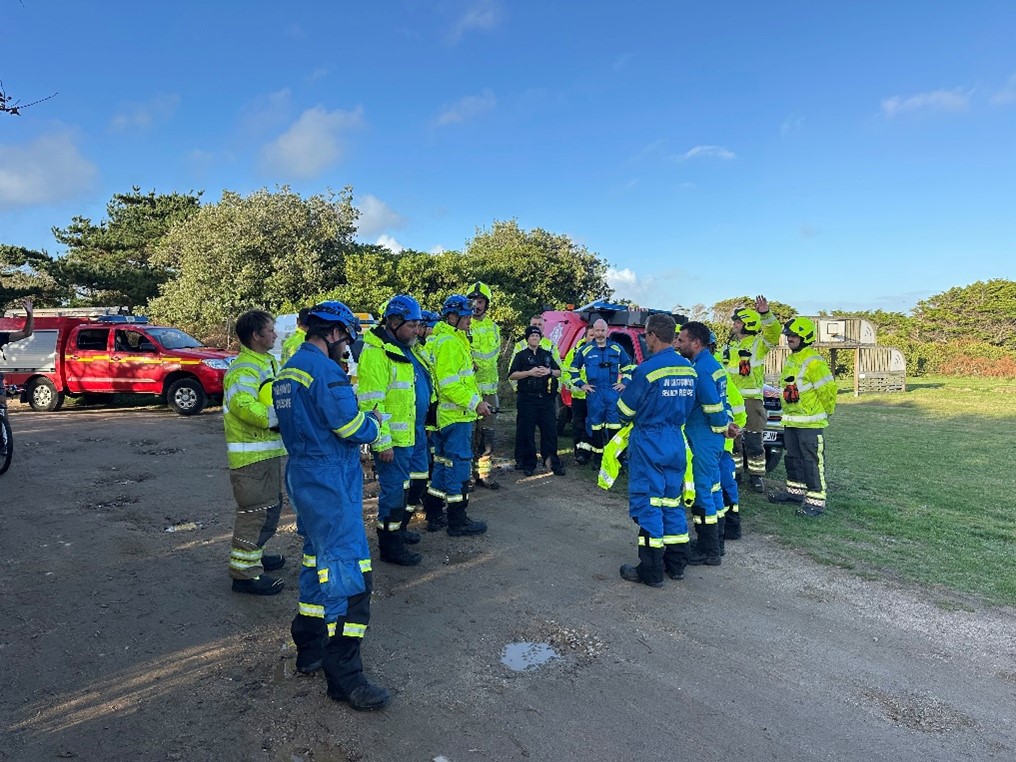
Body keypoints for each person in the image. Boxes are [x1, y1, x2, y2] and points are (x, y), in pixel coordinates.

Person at [272, 301, 390, 711]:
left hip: (304, 476)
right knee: (348, 573)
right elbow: (349, 426)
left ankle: (310, 648)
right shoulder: (325, 371)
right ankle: (345, 679)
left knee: (314, 560)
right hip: (330, 479)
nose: (347, 346)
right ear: (335, 333)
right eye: (346, 337)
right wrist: (374, 423)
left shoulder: (288, 371)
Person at [616, 314, 696, 587]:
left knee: (648, 503)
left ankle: (650, 570)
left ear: (651, 335)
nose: (645, 341)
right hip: (676, 439)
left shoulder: (647, 369)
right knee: (671, 502)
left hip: (650, 441)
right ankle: (677, 564)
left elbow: (625, 410)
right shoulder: (688, 368)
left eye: (646, 336)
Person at [357, 294, 430, 566]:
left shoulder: (405, 348)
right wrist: (382, 442)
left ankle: (399, 531)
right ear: (394, 322)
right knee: (393, 492)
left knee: (406, 487)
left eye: (417, 324)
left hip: (412, 434)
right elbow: (372, 402)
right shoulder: (377, 353)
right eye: (411, 325)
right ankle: (390, 547)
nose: (416, 330)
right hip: (394, 442)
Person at [222, 310, 287, 595]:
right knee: (255, 513)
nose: (275, 334)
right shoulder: (244, 369)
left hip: (266, 453)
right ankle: (244, 574)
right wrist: (280, 418)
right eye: (270, 330)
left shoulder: (268, 362)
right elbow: (245, 406)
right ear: (255, 336)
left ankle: (254, 556)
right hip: (250, 458)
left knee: (269, 509)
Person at [420, 294, 494, 536]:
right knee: (459, 466)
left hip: (445, 417)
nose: (470, 320)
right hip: (456, 417)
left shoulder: (446, 338)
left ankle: (434, 512)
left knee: (442, 464)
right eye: (465, 315)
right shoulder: (449, 342)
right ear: (452, 316)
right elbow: (449, 385)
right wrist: (476, 404)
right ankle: (457, 521)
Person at [676, 321, 735, 567]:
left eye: (681, 340)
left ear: (696, 343)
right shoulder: (712, 364)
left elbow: (712, 405)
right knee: (713, 489)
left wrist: (723, 425)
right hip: (713, 438)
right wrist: (727, 425)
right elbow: (724, 400)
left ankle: (707, 549)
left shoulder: (699, 370)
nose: (677, 344)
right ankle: (717, 544)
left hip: (703, 437)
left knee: (702, 492)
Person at [769, 317, 837, 517]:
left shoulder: (814, 361)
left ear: (805, 336)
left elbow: (827, 390)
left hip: (810, 422)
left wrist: (826, 411)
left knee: (812, 460)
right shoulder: (792, 359)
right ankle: (795, 492)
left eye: (793, 335)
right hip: (791, 420)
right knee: (793, 457)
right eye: (788, 335)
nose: (789, 338)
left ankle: (816, 500)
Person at [720, 296, 781, 492]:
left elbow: (773, 333)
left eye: (738, 322)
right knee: (733, 440)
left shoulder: (758, 344)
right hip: (731, 401)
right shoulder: (730, 347)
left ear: (748, 324)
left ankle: (756, 477)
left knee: (754, 440)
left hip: (751, 401)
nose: (734, 325)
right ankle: (735, 473)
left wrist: (765, 313)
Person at [569, 318, 633, 464]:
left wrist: (624, 383)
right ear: (594, 331)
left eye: (602, 330)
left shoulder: (617, 348)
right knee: (595, 425)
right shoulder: (585, 350)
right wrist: (581, 384)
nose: (599, 333)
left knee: (614, 425)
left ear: (607, 330)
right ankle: (598, 457)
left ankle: (615, 457)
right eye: (597, 331)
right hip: (594, 393)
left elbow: (628, 366)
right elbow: (573, 369)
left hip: (612, 392)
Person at [508, 325, 565, 477]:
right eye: (532, 336)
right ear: (527, 339)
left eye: (537, 336)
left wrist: (549, 371)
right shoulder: (521, 355)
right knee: (527, 433)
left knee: (550, 432)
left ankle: (552, 463)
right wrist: (529, 373)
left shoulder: (546, 354)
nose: (535, 338)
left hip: (546, 399)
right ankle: (529, 464)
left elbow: (559, 372)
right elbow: (512, 375)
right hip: (527, 399)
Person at [710, 331, 746, 543]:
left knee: (717, 483)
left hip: (716, 439)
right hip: (725, 439)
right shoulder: (719, 370)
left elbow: (735, 405)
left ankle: (722, 529)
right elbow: (738, 406)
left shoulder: (708, 370)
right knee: (726, 483)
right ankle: (731, 526)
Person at [466, 281, 502, 489]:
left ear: (487, 304)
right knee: (470, 434)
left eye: (480, 301)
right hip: (470, 391)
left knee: (487, 435)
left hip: (490, 390)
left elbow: (492, 358)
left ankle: (484, 474)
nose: (476, 305)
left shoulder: (493, 328)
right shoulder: (463, 326)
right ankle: (469, 476)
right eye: (473, 301)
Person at [405, 309, 438, 520]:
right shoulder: (412, 352)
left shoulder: (419, 352)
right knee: (415, 476)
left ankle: (414, 514)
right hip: (412, 427)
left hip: (425, 422)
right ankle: (411, 515)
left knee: (426, 469)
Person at [562, 325, 594, 464]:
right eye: (591, 335)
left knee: (592, 426)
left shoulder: (605, 352)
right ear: (586, 336)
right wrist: (572, 386)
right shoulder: (575, 353)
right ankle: (579, 454)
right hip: (579, 396)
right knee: (578, 426)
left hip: (595, 397)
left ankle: (587, 454)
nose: (594, 337)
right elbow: (565, 372)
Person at [507, 314, 563, 392]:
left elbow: (560, 370)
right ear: (530, 326)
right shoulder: (520, 345)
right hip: (526, 393)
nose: (537, 327)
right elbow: (512, 372)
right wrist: (517, 389)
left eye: (539, 324)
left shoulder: (551, 346)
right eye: (534, 324)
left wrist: (556, 390)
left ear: (544, 326)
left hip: (546, 393)